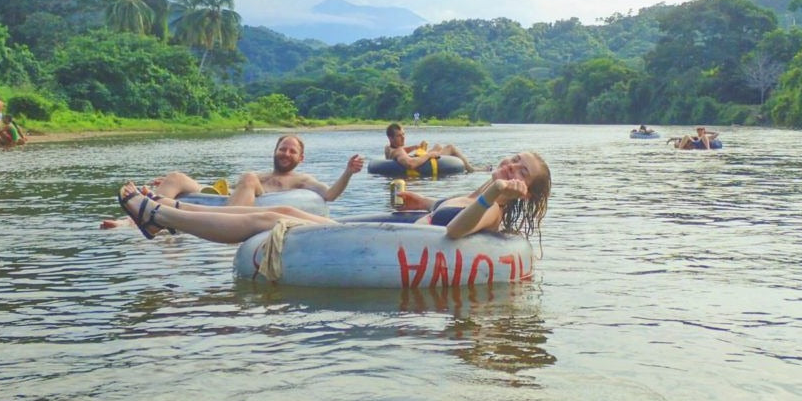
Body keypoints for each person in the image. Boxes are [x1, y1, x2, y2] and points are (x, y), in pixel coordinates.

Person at [117, 151, 551, 243]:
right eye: (513, 160)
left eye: (520, 171)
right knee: (283, 210)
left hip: (383, 242)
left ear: (525, 189)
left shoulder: (493, 207)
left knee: (273, 220)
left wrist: (494, 190)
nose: (510, 168)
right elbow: (443, 215)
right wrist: (419, 201)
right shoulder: (479, 194)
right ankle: (173, 209)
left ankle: (163, 217)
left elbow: (455, 232)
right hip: (385, 230)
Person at [101, 135, 363, 228]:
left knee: (247, 177)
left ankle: (160, 215)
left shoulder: (301, 180)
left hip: (235, 215)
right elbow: (228, 194)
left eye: (292, 151)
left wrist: (348, 172)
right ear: (274, 151)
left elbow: (328, 195)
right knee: (175, 177)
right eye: (282, 148)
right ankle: (132, 220)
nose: (286, 153)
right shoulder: (259, 176)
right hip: (225, 201)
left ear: (301, 158)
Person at [384, 122, 483, 173]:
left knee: (438, 146)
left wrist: (414, 147)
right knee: (450, 147)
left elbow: (401, 151)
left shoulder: (388, 147)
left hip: (416, 158)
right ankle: (471, 169)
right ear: (390, 138)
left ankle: (470, 167)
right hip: (424, 164)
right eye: (399, 136)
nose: (403, 138)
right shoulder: (399, 152)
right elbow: (410, 164)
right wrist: (429, 155)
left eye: (403, 134)